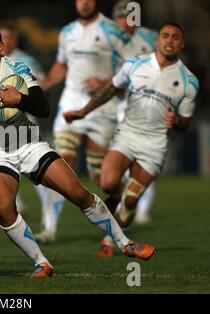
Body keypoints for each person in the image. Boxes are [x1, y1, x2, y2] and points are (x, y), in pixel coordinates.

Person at [0, 25, 155, 278]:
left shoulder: (18, 69)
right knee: (0, 203)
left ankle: (125, 243)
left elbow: (42, 107)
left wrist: (18, 99)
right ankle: (41, 263)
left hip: (29, 144)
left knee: (78, 193)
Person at [64, 22, 198, 256]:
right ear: (157, 40)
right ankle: (120, 194)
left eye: (175, 37)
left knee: (132, 201)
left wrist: (175, 121)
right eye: (165, 36)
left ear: (182, 44)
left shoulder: (188, 81)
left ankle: (110, 240)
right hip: (127, 136)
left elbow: (185, 123)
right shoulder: (136, 64)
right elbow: (110, 89)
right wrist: (84, 111)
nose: (169, 40)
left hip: (154, 146)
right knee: (107, 184)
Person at [37, 0, 137, 243]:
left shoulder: (113, 31)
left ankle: (123, 192)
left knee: (101, 178)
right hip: (71, 103)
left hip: (102, 108)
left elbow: (133, 67)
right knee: (60, 164)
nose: (84, 3)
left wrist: (105, 81)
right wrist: (45, 84)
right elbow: (61, 66)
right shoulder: (67, 32)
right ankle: (49, 228)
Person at [0, 22, 64, 233]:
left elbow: (40, 87)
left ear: (14, 41)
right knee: (1, 167)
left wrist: (23, 101)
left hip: (22, 121)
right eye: (1, 38)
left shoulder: (25, 61)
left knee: (36, 172)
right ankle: (19, 207)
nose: (5, 42)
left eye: (8, 38)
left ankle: (49, 219)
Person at [113, 0, 158, 226]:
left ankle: (141, 209)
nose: (126, 21)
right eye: (122, 16)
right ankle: (129, 203)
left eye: (130, 16)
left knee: (146, 158)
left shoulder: (151, 38)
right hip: (119, 106)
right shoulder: (110, 41)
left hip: (150, 107)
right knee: (122, 159)